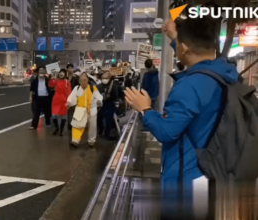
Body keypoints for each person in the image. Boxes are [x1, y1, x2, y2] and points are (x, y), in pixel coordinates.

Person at [126, 17, 239, 219]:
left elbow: (167, 131)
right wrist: (175, 37)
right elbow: (192, 52)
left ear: (185, 47)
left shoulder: (190, 85)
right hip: (210, 169)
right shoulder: (223, 72)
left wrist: (145, 110)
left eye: (178, 44)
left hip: (184, 178)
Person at [67, 73, 103, 147]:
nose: (83, 82)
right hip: (80, 109)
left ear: (87, 80)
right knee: (76, 125)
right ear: (79, 81)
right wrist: (69, 102)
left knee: (92, 126)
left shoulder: (93, 88)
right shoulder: (77, 88)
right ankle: (75, 140)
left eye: (85, 80)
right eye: (81, 80)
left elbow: (99, 96)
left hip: (92, 109)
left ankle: (91, 141)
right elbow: (71, 97)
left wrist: (99, 101)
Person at [97, 70, 123, 140]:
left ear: (110, 78)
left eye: (106, 78)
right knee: (99, 118)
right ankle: (102, 130)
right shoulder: (99, 86)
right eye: (103, 78)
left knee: (109, 119)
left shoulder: (115, 85)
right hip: (101, 104)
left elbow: (119, 94)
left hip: (110, 103)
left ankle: (107, 134)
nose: (104, 79)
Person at [49, 69, 72, 136]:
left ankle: (61, 130)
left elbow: (69, 92)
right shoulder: (56, 81)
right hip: (56, 100)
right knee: (54, 115)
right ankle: (56, 128)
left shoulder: (67, 82)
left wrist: (69, 101)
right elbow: (50, 85)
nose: (61, 74)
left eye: (63, 73)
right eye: (60, 72)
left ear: (65, 74)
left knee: (63, 116)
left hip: (64, 101)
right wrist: (52, 78)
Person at [67, 63, 80, 131]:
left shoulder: (76, 77)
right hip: (66, 97)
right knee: (68, 111)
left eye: (71, 68)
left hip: (74, 96)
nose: (70, 69)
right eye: (69, 68)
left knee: (73, 110)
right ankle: (69, 124)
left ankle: (72, 124)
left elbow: (78, 87)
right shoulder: (65, 77)